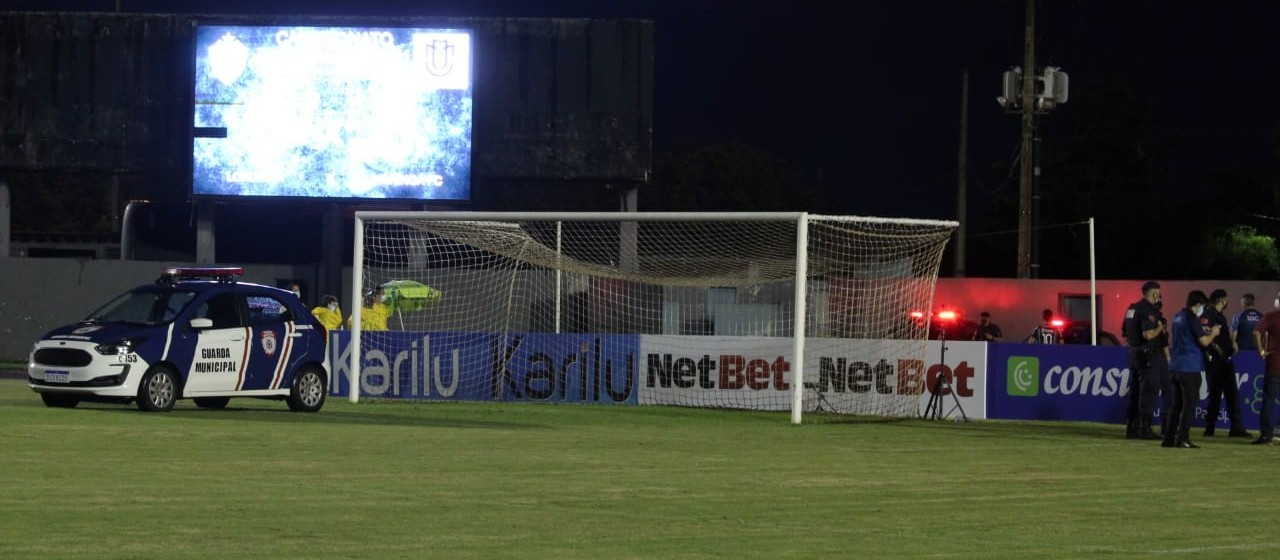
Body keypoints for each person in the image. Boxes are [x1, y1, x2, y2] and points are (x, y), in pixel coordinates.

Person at [1162, 290, 1218, 449]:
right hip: (1189, 366)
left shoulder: (1177, 316)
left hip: (1175, 365)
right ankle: (1183, 438)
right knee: (1189, 405)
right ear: (1198, 304)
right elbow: (1204, 342)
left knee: (1176, 404)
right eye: (1203, 306)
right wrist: (1213, 333)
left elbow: (1186, 335)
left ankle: (1168, 438)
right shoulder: (1192, 318)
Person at [1122, 281, 1167, 440]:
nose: (1159, 297)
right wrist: (1160, 328)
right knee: (1148, 391)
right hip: (1147, 354)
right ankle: (1145, 428)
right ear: (1153, 293)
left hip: (1134, 354)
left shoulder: (1132, 308)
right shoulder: (1148, 310)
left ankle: (1132, 427)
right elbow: (1148, 334)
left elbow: (1125, 332)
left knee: (1135, 391)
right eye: (1158, 293)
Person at [1203, 289, 1250, 438]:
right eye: (1225, 299)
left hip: (1224, 360)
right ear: (1220, 300)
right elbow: (1207, 337)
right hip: (1217, 361)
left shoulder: (1219, 316)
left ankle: (1234, 428)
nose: (1227, 302)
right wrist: (1220, 351)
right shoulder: (1209, 314)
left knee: (1229, 395)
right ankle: (1210, 428)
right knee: (1218, 395)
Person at [1252, 289, 1280, 445]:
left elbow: (1256, 332)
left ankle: (1266, 435)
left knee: (1269, 401)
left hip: (1274, 364)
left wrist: (1261, 351)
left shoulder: (1271, 317)